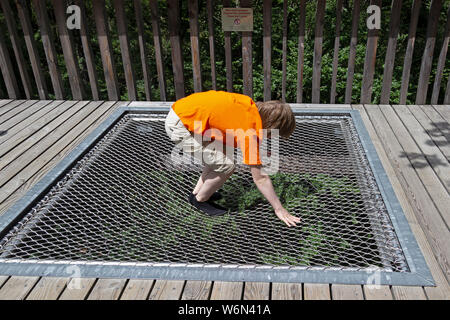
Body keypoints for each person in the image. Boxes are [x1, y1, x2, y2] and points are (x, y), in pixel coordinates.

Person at [165, 90, 300, 227]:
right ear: (272, 126)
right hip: (181, 126)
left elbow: (235, 131)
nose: (271, 138)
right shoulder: (250, 130)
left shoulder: (249, 106)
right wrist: (279, 208)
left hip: (184, 112)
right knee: (226, 166)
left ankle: (197, 193)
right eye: (274, 134)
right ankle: (200, 200)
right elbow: (260, 178)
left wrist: (258, 152)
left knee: (221, 155)